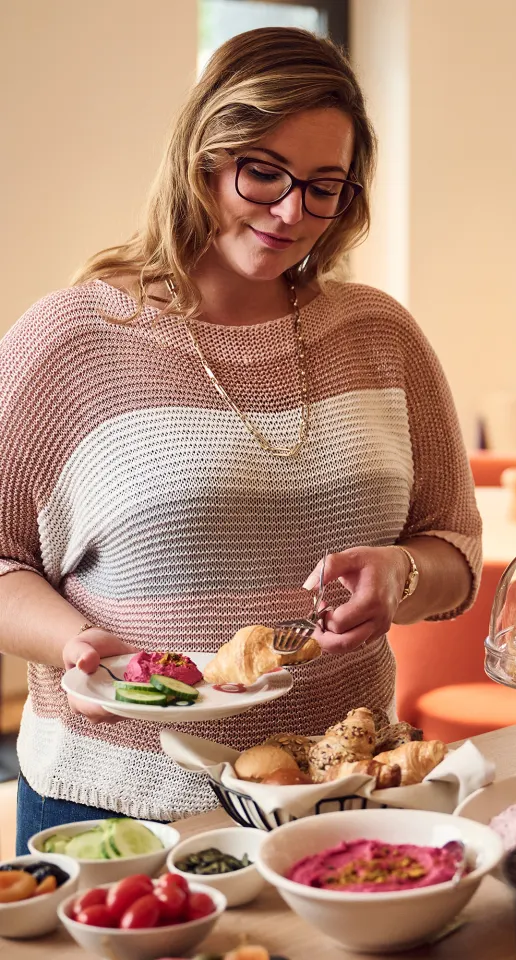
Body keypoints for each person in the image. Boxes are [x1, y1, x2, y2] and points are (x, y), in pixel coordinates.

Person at [1, 28, 481, 852]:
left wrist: (402, 574)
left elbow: (457, 552)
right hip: (120, 806)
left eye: (324, 186)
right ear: (202, 159)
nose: (292, 211)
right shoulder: (70, 339)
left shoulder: (381, 335)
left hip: (338, 793)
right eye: (263, 173)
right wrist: (76, 647)